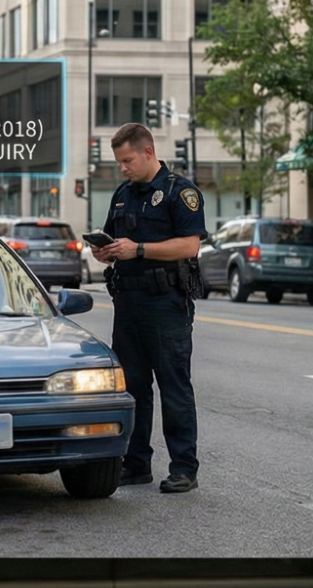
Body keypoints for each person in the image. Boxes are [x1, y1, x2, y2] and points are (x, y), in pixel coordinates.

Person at [90, 122, 205, 495]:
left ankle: (184, 467)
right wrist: (103, 251)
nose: (122, 168)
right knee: (133, 388)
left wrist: (138, 249)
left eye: (127, 161)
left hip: (165, 303)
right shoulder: (123, 194)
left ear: (148, 152)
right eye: (119, 162)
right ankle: (136, 463)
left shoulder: (179, 192)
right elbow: (112, 242)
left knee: (174, 387)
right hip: (128, 303)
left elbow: (189, 246)